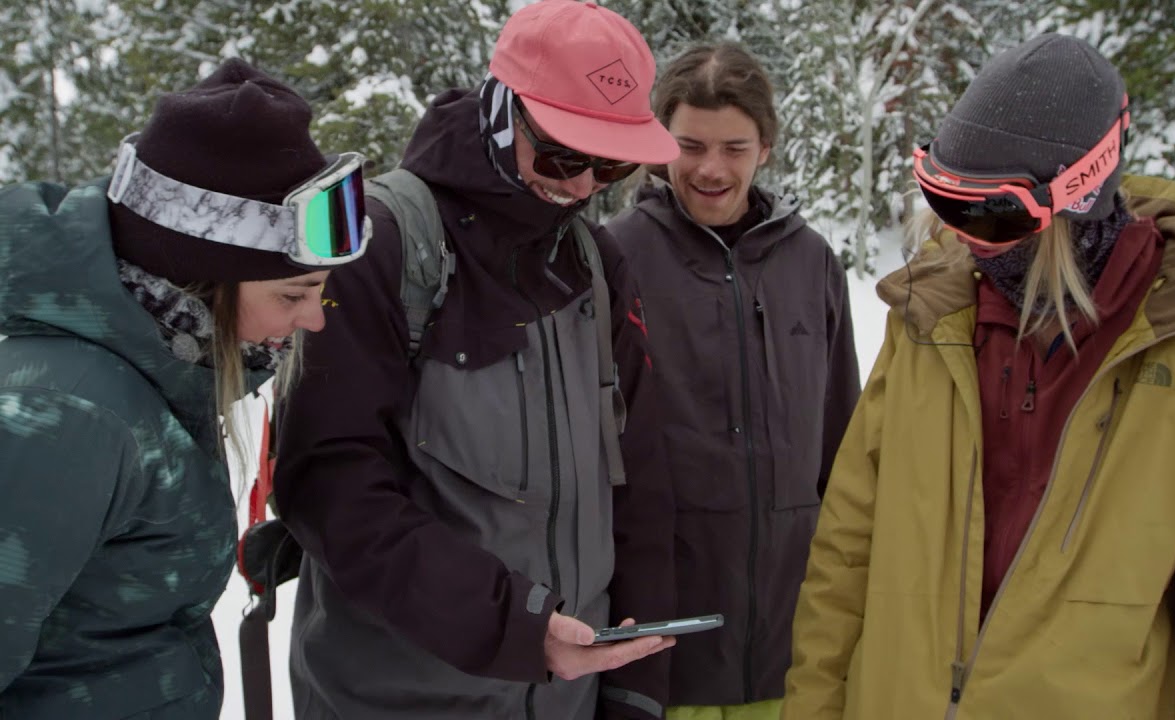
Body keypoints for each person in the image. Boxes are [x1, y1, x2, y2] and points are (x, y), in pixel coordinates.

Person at [781, 33, 1175, 719]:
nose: (962, 237)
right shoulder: (933, 318)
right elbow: (847, 553)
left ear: (1078, 196)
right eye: (944, 201)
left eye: (990, 212)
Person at [272, 1, 680, 718]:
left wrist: (635, 691)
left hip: (568, 700)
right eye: (561, 155)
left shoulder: (597, 264)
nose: (583, 187)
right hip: (397, 701)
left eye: (611, 165)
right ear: (501, 112)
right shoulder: (382, 249)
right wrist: (512, 626)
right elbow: (331, 488)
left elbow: (639, 483)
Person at [0, 59, 368, 719]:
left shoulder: (152, 372)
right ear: (203, 280)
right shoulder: (66, 418)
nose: (313, 318)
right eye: (294, 293)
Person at [606, 43, 860, 720]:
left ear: (766, 148)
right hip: (663, 650)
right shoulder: (613, 259)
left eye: (735, 148)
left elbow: (845, 443)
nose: (711, 169)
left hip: (793, 646)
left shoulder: (811, 264)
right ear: (660, 142)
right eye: (690, 145)